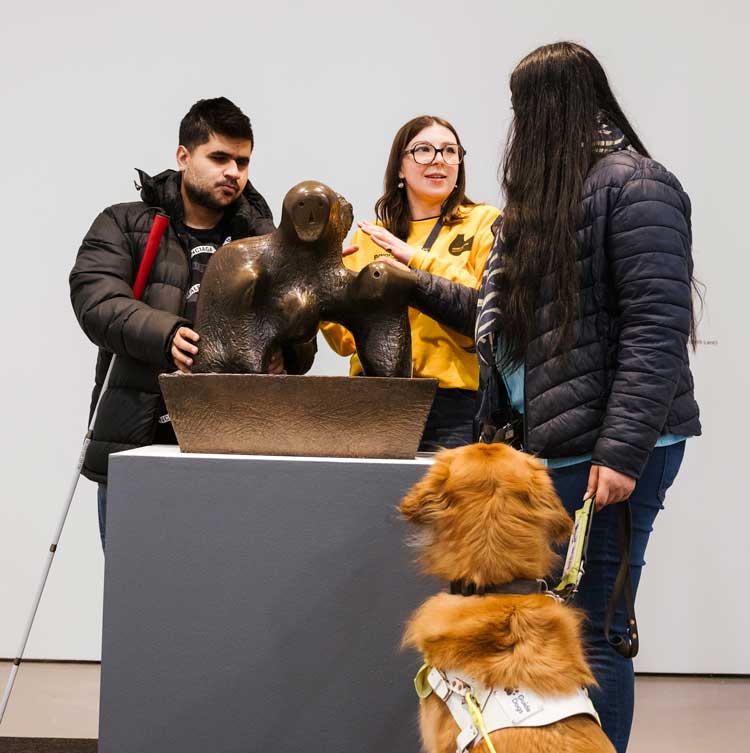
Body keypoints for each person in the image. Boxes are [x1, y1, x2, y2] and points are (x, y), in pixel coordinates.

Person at [400, 43, 701, 752]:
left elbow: (656, 329)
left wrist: (621, 450)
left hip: (615, 449)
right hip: (560, 443)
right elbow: (508, 323)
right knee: (565, 625)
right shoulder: (552, 195)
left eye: (523, 107)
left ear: (551, 106)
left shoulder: (637, 185)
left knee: (596, 625)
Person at [70, 97, 308, 548]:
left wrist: (288, 350)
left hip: (235, 448)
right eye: (219, 157)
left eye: (242, 161)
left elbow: (297, 331)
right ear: (183, 156)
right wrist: (166, 335)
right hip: (138, 445)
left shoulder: (264, 242)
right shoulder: (124, 223)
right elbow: (95, 298)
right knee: (136, 598)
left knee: (224, 595)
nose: (233, 172)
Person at [321, 115, 499, 451]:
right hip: (374, 399)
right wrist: (325, 279)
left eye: (450, 151)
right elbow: (345, 341)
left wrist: (413, 257)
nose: (438, 160)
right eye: (423, 150)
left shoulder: (483, 222)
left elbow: (482, 305)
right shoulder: (371, 235)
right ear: (400, 167)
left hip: (453, 404)